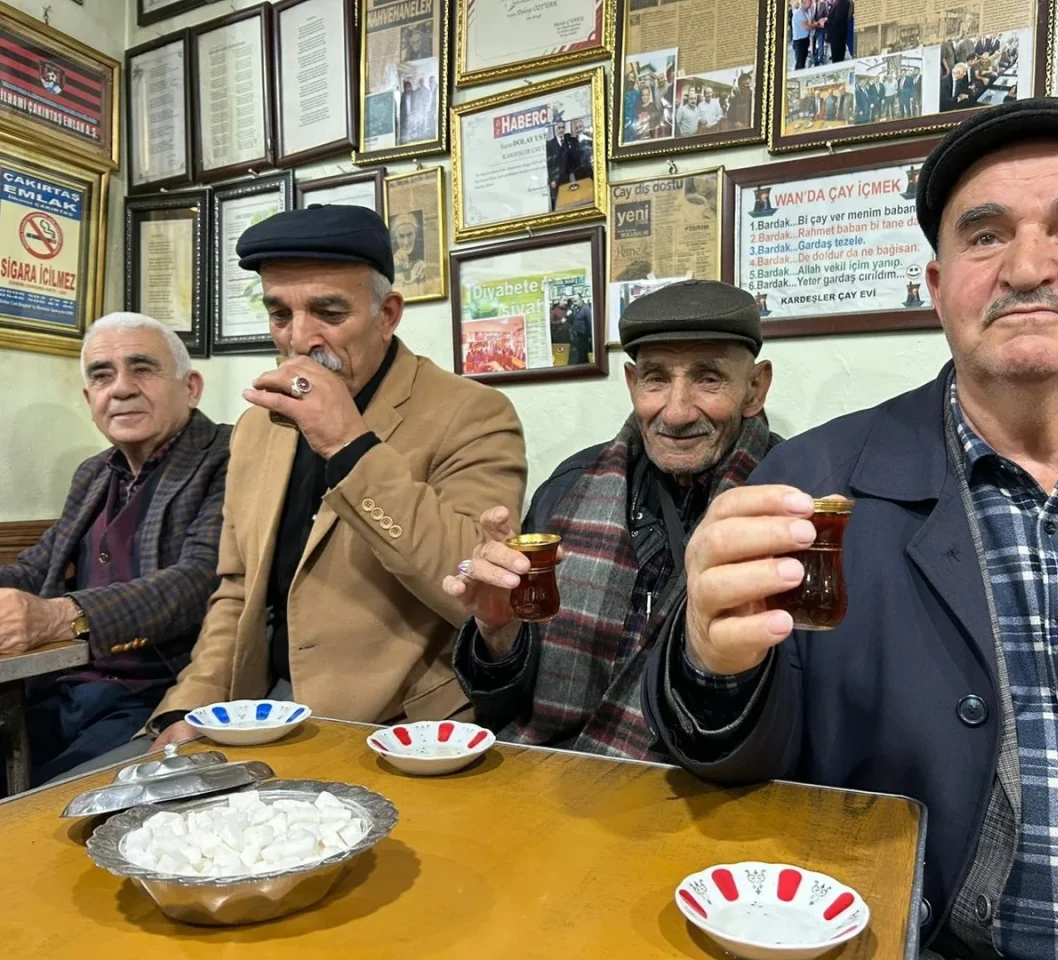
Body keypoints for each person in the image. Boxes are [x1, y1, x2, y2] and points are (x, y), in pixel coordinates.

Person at [646, 98, 1058, 957]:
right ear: (938, 289)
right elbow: (729, 762)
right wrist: (709, 665)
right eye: (984, 236)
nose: (1027, 267)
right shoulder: (812, 483)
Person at [141, 206, 527, 751]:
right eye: (280, 314)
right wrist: (192, 705)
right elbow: (237, 590)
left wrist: (349, 445)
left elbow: (471, 591)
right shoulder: (256, 427)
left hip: (397, 728)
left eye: (328, 312)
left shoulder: (474, 413)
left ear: (387, 314)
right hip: (262, 711)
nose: (299, 340)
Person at [446, 281, 780, 760]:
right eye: (656, 379)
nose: (676, 412)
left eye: (708, 379)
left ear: (755, 388)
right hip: (544, 774)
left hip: (702, 785)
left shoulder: (791, 506)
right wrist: (498, 633)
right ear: (631, 383)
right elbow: (501, 705)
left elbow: (799, 720)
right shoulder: (568, 488)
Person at [0, 314, 230, 787]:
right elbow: (34, 569)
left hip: (158, 697)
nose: (121, 388)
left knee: (40, 808)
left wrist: (60, 617)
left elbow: (200, 578)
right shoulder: (94, 472)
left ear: (191, 388)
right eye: (103, 376)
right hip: (61, 689)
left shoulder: (230, 455)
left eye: (142, 369)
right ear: (90, 400)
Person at [546, 121, 578, 211]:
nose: (561, 130)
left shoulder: (568, 142)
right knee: (558, 202)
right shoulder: (550, 144)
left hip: (567, 177)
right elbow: (549, 164)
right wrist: (552, 179)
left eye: (563, 127)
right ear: (556, 129)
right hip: (556, 179)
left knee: (569, 200)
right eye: (559, 128)